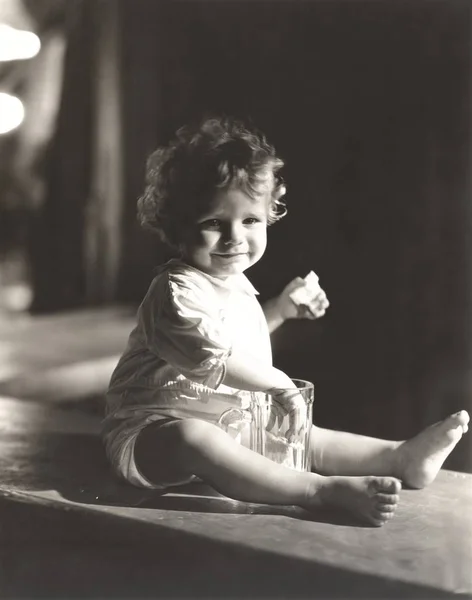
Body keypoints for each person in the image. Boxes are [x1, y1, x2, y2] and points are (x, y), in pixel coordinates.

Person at [103, 116, 469, 526]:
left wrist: (279, 309)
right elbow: (211, 357)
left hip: (229, 423)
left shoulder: (233, 282)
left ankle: (398, 457)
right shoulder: (174, 292)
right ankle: (315, 490)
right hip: (151, 435)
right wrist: (280, 385)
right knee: (194, 438)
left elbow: (231, 341)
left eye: (250, 221)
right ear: (176, 227)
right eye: (212, 223)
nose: (234, 238)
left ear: (269, 215)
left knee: (305, 436)